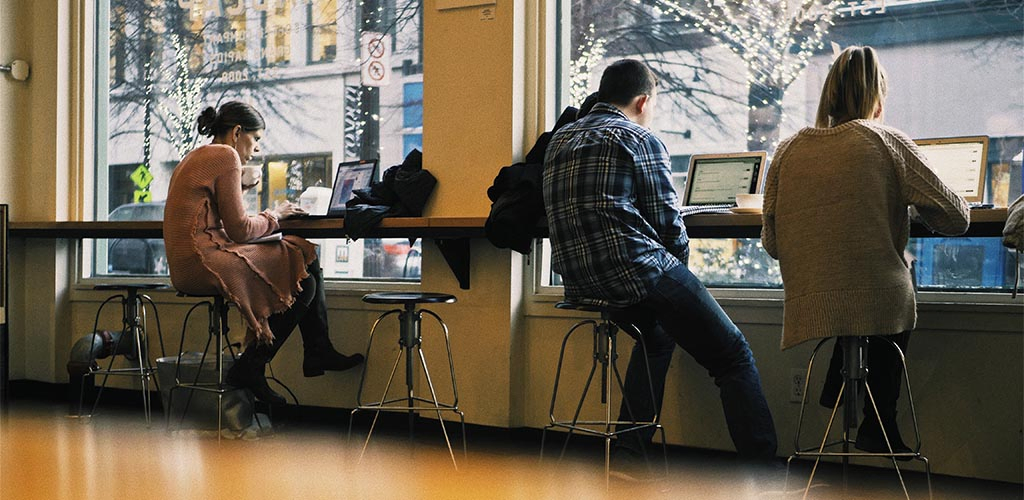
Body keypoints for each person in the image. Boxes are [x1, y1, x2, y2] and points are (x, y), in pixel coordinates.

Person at [543, 59, 778, 469]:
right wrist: (680, 274)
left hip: (580, 281)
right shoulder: (638, 138)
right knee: (732, 354)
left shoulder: (560, 140)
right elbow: (668, 226)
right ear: (642, 100)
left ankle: (629, 456)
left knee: (657, 334)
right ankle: (765, 469)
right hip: (634, 271)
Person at [762, 46, 970, 454]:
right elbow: (956, 218)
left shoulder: (787, 150)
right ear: (878, 96)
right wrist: (901, 204)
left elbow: (772, 243)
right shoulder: (886, 141)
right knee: (892, 282)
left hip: (810, 299)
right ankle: (880, 421)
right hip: (877, 299)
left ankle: (840, 387)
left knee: (853, 293)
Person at [163, 101, 363, 405]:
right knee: (303, 270)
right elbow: (240, 230)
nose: (255, 149)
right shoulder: (225, 155)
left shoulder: (197, 155)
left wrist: (241, 188)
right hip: (204, 261)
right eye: (255, 139)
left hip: (186, 263)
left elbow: (213, 218)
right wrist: (276, 214)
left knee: (301, 256)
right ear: (237, 132)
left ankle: (314, 351)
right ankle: (254, 366)